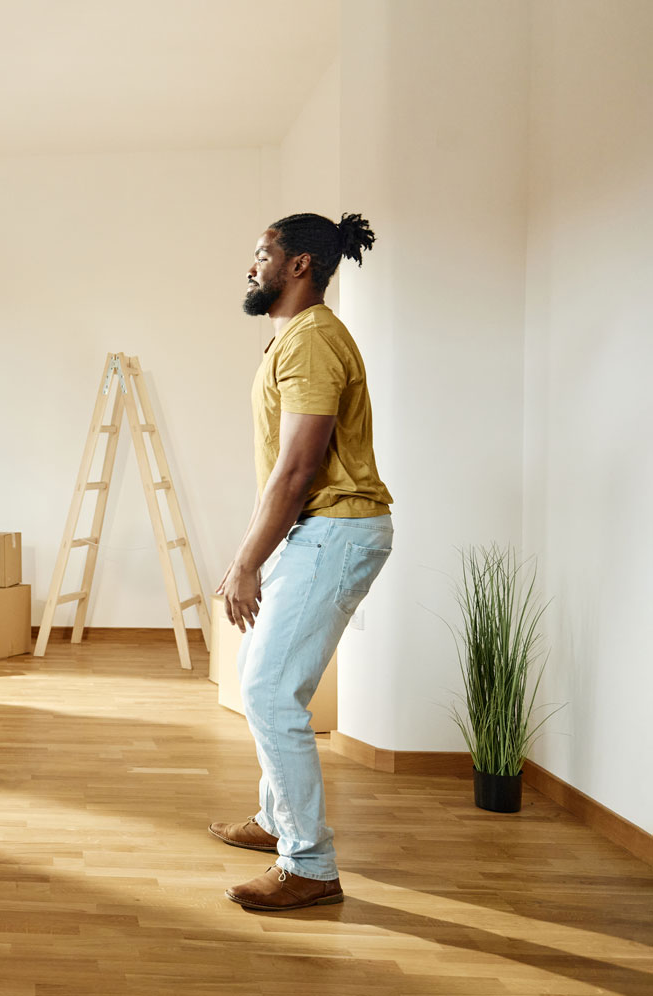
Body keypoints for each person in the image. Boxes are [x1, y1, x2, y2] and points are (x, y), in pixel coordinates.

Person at [210, 213, 395, 911]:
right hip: (316, 530)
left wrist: (245, 563)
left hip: (336, 531)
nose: (251, 266)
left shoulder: (313, 340)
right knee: (267, 678)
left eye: (261, 254)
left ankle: (310, 864)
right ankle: (274, 822)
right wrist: (258, 552)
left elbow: (296, 469)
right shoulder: (292, 337)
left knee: (265, 691)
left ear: (299, 265)